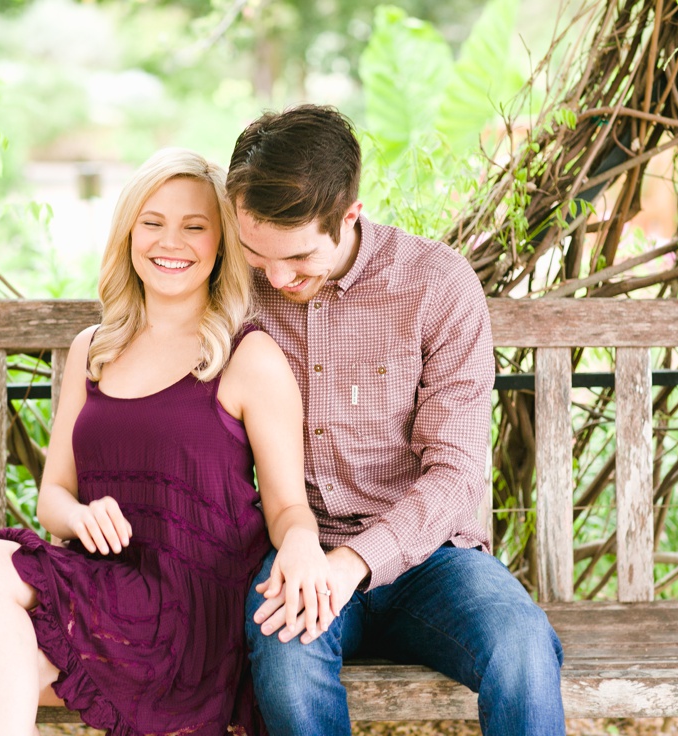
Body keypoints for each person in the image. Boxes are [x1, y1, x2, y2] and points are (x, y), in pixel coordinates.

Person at [0, 148, 331, 736]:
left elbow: (286, 506)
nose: (171, 242)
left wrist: (303, 545)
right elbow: (54, 496)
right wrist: (80, 515)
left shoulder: (248, 356)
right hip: (106, 585)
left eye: (195, 227)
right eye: (153, 223)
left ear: (221, 245)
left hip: (194, 602)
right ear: (128, 234)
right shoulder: (93, 349)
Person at [226, 105, 566, 736]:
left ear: (349, 216)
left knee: (522, 646)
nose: (275, 277)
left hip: (432, 559)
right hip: (297, 551)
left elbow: (456, 475)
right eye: (255, 251)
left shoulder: (435, 285)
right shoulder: (234, 288)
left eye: (298, 258)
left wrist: (355, 561)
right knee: (285, 662)